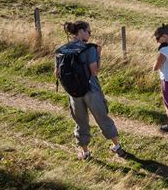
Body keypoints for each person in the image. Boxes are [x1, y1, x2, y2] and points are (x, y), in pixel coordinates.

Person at [54, 21, 126, 160]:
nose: (90, 34)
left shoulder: (61, 51)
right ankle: (116, 147)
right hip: (91, 90)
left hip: (74, 93)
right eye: (89, 31)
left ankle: (85, 152)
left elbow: (56, 73)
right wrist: (98, 54)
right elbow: (95, 71)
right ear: (81, 31)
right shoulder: (90, 49)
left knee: (80, 122)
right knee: (102, 118)